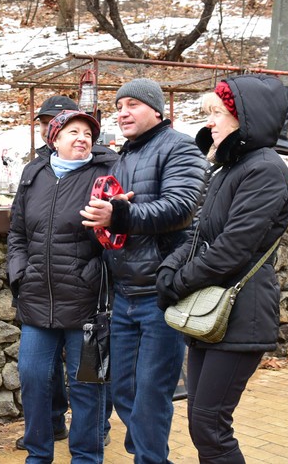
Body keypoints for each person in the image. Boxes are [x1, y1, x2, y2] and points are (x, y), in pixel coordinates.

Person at [156, 75, 288, 463]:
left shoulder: (264, 169)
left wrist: (178, 283)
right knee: (203, 425)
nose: (209, 123)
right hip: (214, 315)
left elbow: (233, 248)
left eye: (216, 113)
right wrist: (169, 269)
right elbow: (199, 234)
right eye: (208, 114)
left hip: (239, 314)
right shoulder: (230, 168)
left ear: (244, 117)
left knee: (210, 425)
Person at [80, 78, 206, 463]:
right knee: (124, 391)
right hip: (125, 294)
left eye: (132, 104)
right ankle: (150, 454)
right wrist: (109, 217)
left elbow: (181, 207)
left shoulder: (180, 147)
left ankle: (150, 457)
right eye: (119, 106)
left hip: (159, 294)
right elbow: (123, 214)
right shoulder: (126, 156)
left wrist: (118, 214)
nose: (122, 112)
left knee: (151, 393)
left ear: (156, 109)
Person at [8, 110, 117, 463]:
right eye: (73, 131)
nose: (82, 137)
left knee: (88, 386)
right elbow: (17, 233)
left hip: (87, 302)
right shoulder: (33, 174)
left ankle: (86, 458)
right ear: (54, 138)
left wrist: (95, 273)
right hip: (37, 298)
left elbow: (118, 234)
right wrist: (19, 273)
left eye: (88, 132)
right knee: (34, 379)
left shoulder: (105, 174)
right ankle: (37, 456)